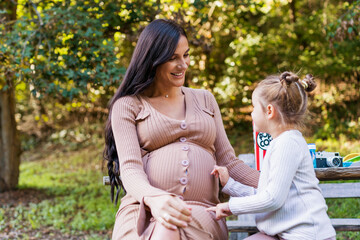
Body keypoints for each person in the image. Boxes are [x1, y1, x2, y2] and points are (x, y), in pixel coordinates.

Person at [103, 19, 260, 240]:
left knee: (172, 223)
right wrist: (155, 199)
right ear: (152, 60)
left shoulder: (205, 99)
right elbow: (130, 169)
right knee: (167, 225)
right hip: (144, 208)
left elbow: (229, 163)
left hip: (201, 211)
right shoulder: (128, 106)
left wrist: (273, 183)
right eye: (172, 58)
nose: (183, 65)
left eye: (186, 55)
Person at [207, 72, 336, 240]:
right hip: (287, 234)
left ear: (269, 111)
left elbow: (272, 199)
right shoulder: (281, 143)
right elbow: (265, 195)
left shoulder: (287, 145)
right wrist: (230, 184)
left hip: (309, 236)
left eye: (253, 107)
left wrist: (231, 207)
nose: (251, 114)